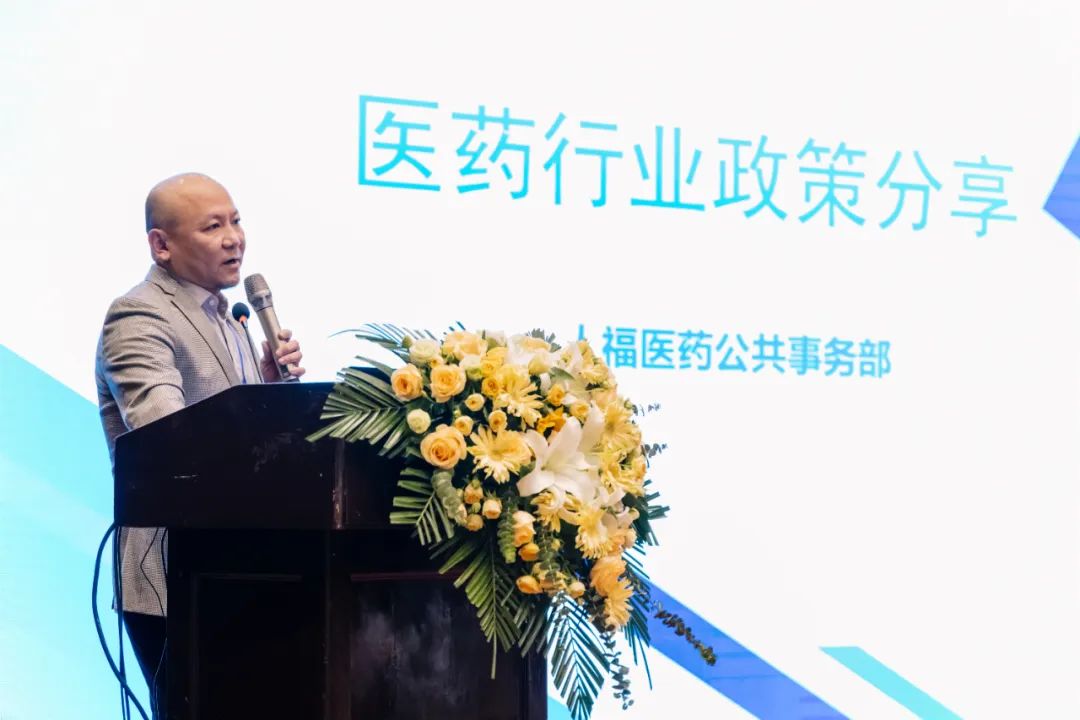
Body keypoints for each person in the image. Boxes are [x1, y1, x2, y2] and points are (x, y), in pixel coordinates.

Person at [95, 173, 305, 717]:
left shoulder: (231, 317)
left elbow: (234, 431)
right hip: (175, 573)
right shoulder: (139, 314)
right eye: (213, 227)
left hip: (244, 566)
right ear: (161, 245)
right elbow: (168, 435)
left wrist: (268, 391)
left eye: (236, 221)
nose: (234, 238)